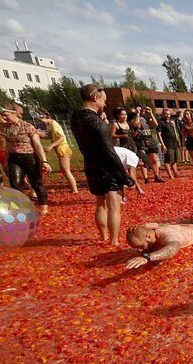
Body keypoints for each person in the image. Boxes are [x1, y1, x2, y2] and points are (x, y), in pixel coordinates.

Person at [70, 84, 136, 245]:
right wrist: (125, 177)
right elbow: (109, 152)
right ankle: (114, 240)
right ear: (95, 98)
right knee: (113, 206)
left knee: (100, 204)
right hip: (107, 167)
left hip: (90, 164)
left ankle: (104, 236)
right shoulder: (97, 123)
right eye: (103, 101)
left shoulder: (76, 119)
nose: (105, 105)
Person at [0, 103, 51, 215]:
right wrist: (6, 161)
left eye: (6, 115)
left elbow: (37, 145)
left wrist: (44, 161)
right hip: (14, 158)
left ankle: (43, 205)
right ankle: (21, 207)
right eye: (2, 115)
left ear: (14, 113)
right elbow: (8, 146)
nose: (4, 118)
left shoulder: (27, 126)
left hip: (29, 157)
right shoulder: (6, 127)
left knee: (36, 183)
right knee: (15, 183)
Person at [37, 110, 79, 193]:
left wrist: (51, 146)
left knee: (66, 170)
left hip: (63, 148)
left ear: (47, 117)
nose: (40, 121)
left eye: (41, 119)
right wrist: (40, 134)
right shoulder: (49, 125)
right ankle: (73, 189)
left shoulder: (54, 124)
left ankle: (75, 190)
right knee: (64, 170)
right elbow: (49, 136)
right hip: (60, 149)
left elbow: (61, 138)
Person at [156, 108, 181, 180]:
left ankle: (175, 174)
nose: (167, 115)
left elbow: (175, 133)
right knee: (168, 161)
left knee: (174, 161)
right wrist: (163, 145)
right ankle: (170, 176)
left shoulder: (171, 122)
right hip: (167, 144)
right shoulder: (160, 122)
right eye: (166, 114)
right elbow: (159, 134)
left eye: (169, 114)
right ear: (163, 114)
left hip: (174, 143)